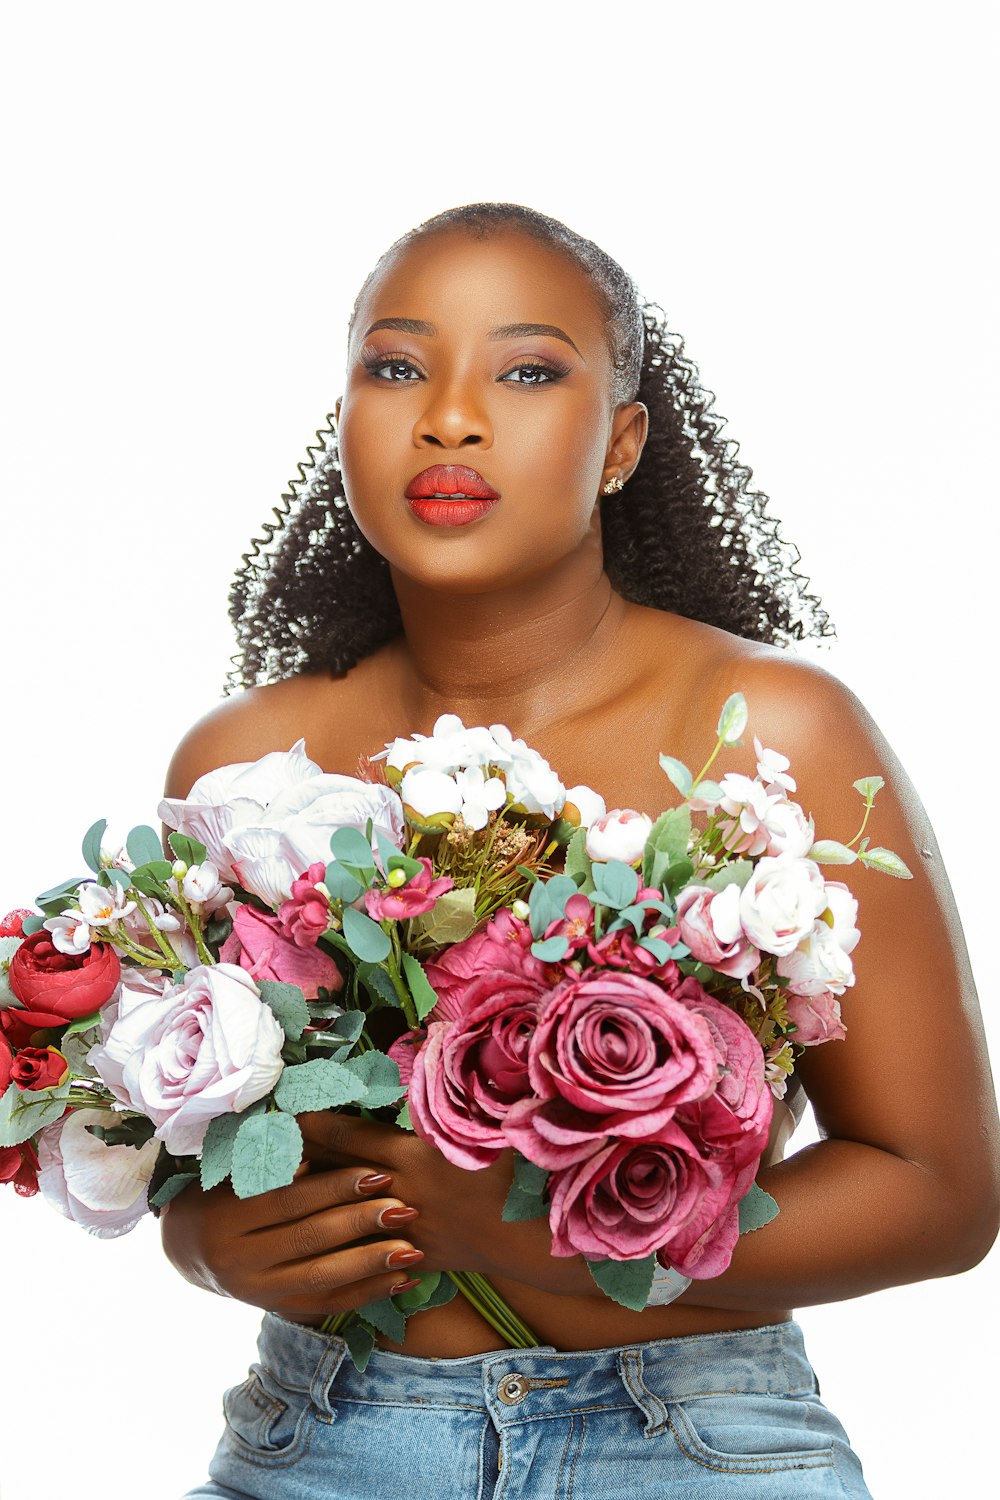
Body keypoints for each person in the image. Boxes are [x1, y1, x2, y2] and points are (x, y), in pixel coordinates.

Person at [161, 203, 999, 1499]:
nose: (449, 415)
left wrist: (552, 1238)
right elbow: (197, 1162)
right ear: (345, 423)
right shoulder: (246, 769)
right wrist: (213, 1244)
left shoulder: (770, 733)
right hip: (321, 1444)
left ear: (621, 446)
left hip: (690, 1446)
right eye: (395, 367)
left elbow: (939, 1193)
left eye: (528, 369)